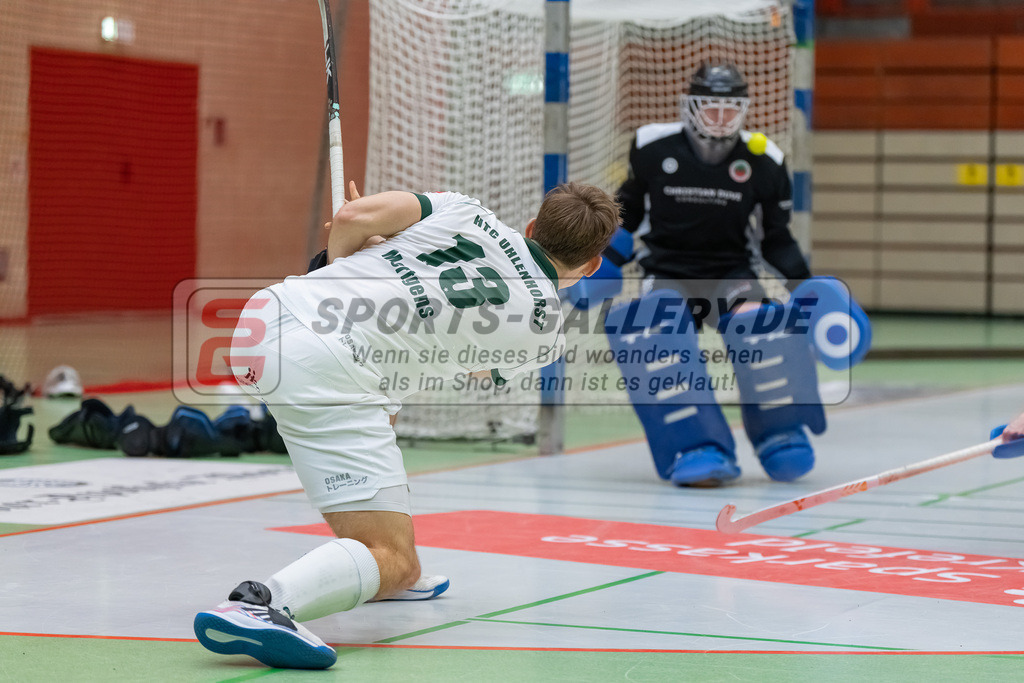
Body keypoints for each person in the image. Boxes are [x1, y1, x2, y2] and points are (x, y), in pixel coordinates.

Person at [193, 181, 619, 670]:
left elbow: (351, 219)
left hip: (266, 316)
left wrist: (366, 256)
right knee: (397, 559)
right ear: (592, 265)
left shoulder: (464, 210)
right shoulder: (545, 336)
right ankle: (262, 604)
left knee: (386, 399)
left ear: (532, 226)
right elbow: (472, 363)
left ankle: (370, 571)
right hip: (322, 367)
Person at [611, 61, 824, 488]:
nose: (721, 118)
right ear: (691, 106)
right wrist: (599, 263)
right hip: (667, 272)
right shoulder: (652, 147)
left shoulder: (765, 161)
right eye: (711, 107)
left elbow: (775, 239)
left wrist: (809, 289)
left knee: (760, 326)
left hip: (731, 272)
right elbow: (625, 216)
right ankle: (697, 447)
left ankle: (778, 433)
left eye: (730, 109)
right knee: (658, 331)